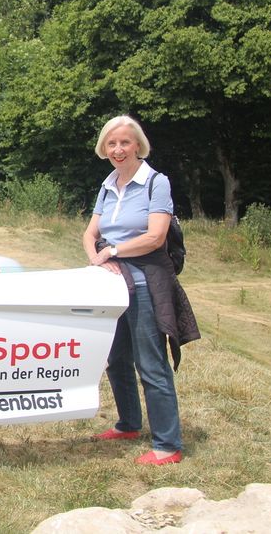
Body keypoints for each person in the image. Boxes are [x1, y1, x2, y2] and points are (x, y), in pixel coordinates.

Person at [83, 114, 198, 466]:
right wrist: (99, 259)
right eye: (112, 143)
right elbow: (90, 234)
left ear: (138, 145)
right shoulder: (108, 184)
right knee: (116, 358)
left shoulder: (155, 182)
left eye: (125, 143)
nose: (118, 149)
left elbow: (155, 236)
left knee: (151, 364)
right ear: (105, 148)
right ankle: (129, 424)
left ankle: (167, 445)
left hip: (146, 282)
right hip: (112, 282)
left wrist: (114, 250)